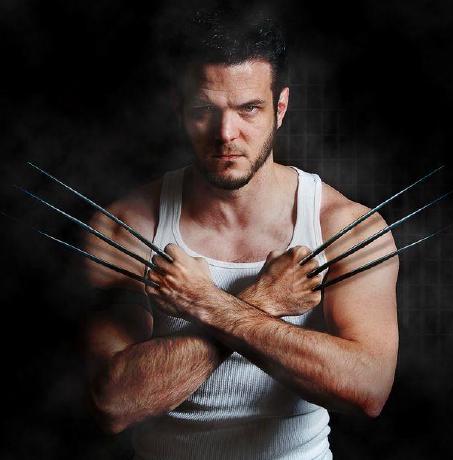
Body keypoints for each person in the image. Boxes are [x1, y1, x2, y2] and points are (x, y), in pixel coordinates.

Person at [83, 7, 398, 459]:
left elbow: (369, 388)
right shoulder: (125, 228)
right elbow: (113, 404)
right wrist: (265, 300)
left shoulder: (346, 228)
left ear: (280, 108)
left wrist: (205, 302)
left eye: (249, 109)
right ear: (178, 108)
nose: (226, 133)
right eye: (204, 110)